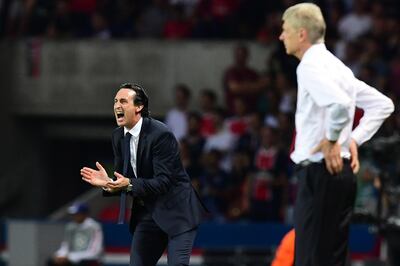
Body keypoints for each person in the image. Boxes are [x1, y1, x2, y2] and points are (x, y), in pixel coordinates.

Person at [278, 3, 394, 266]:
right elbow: (383, 104)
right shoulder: (337, 66)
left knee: (310, 260)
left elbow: (340, 104)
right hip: (341, 176)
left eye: (285, 30)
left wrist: (333, 140)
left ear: (302, 34)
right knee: (333, 260)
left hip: (319, 173)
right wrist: (352, 139)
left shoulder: (309, 66)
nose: (281, 36)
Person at [80, 83, 207, 266]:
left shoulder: (161, 134)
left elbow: (163, 182)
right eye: (115, 101)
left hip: (177, 212)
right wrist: (108, 182)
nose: (117, 106)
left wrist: (129, 184)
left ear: (139, 107)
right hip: (147, 212)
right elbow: (123, 180)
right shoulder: (118, 136)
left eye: (123, 101)